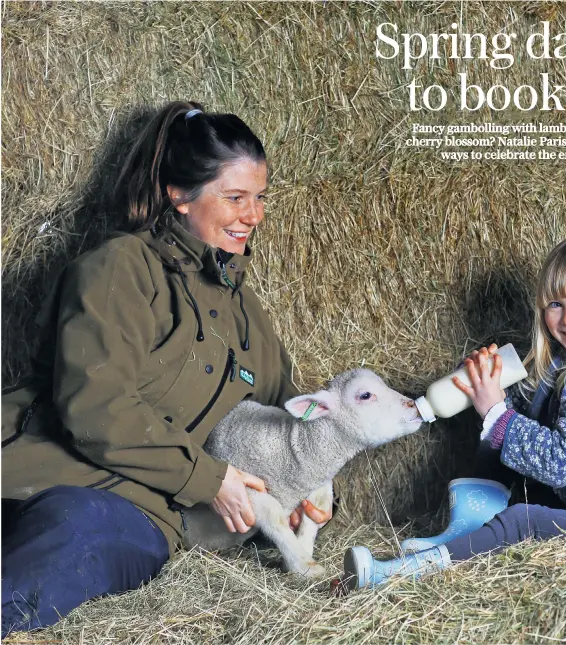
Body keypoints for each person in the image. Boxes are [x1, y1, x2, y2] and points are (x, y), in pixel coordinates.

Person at [1, 101, 330, 636]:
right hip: (41, 477)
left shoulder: (250, 318)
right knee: (67, 532)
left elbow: (287, 426)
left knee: (80, 542)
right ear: (179, 195)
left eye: (260, 199)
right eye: (236, 198)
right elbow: (96, 408)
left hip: (136, 514)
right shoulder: (120, 270)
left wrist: (307, 486)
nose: (255, 216)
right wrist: (207, 478)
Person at [341, 233, 566, 590]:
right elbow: (520, 417)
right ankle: (465, 534)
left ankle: (399, 573)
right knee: (502, 434)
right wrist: (485, 385)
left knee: (522, 517)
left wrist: (495, 411)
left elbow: (560, 462)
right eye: (555, 303)